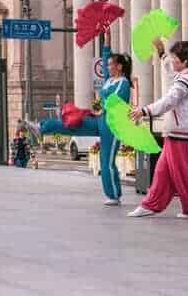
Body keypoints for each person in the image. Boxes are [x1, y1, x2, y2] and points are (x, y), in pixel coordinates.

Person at [26, 54, 133, 205]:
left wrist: (102, 109)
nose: (107, 67)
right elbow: (104, 61)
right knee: (73, 123)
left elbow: (114, 100)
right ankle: (42, 127)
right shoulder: (109, 80)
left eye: (110, 65)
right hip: (100, 120)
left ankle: (114, 195)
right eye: (107, 65)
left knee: (106, 160)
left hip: (113, 125)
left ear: (119, 67)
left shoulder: (124, 83)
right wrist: (107, 41)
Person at [128, 38, 188, 219]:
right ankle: (150, 205)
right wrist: (161, 53)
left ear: (184, 62)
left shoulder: (185, 81)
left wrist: (145, 110)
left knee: (179, 174)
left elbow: (169, 101)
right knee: (162, 171)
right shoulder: (186, 76)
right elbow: (170, 70)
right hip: (178, 131)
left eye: (176, 58)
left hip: (180, 132)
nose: (173, 61)